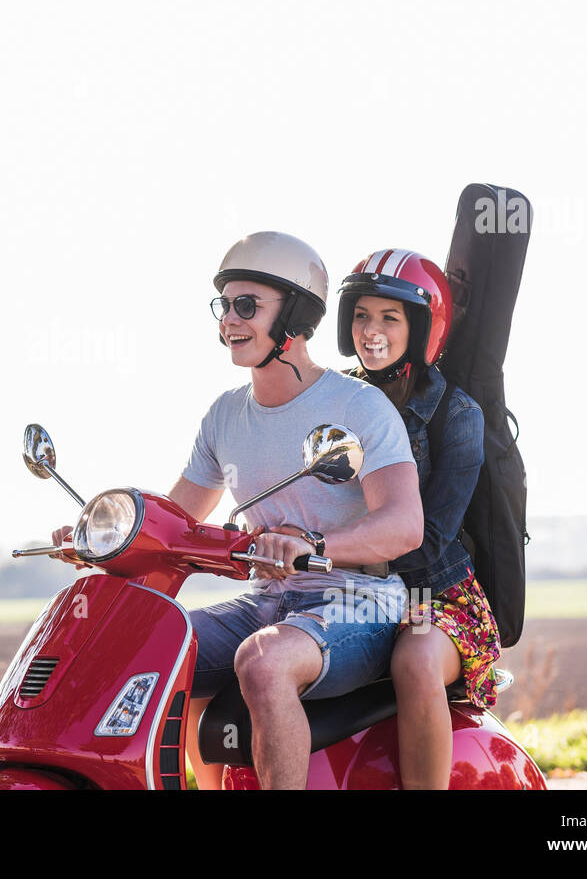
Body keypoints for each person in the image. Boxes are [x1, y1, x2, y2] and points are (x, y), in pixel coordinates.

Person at [52, 231, 422, 790]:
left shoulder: (357, 406)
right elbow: (173, 522)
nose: (229, 319)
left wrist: (314, 547)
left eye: (246, 305)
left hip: (357, 603)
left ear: (295, 314)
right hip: (269, 601)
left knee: (264, 663)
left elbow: (404, 526)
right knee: (149, 649)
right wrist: (100, 538)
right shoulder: (225, 416)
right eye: (223, 306)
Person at [336, 248, 503, 790]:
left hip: (432, 596)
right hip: (338, 587)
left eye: (390, 317)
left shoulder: (457, 415)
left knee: (415, 661)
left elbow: (428, 540)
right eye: (361, 315)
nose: (371, 329)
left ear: (423, 326)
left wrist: (320, 546)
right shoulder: (329, 396)